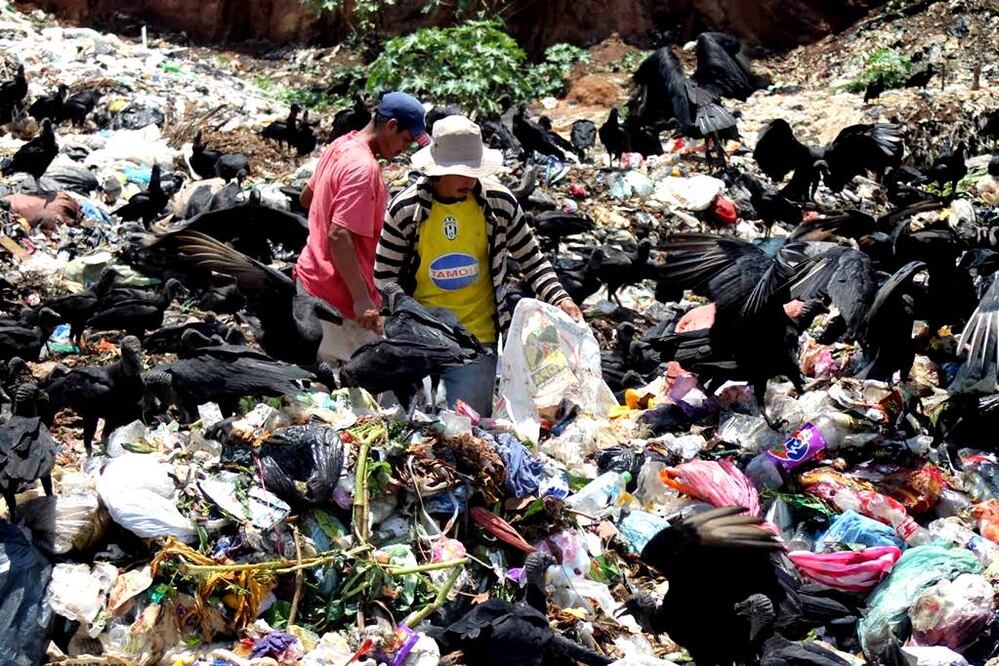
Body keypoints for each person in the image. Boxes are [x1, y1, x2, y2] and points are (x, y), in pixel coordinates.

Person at [375, 115, 583, 416]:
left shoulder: (500, 203)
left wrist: (560, 298)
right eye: (460, 172)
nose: (469, 179)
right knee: (399, 428)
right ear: (437, 171)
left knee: (468, 434)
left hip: (476, 341)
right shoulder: (407, 210)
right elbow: (384, 277)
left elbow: (532, 259)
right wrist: (393, 333)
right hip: (415, 338)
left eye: (474, 170)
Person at [295, 92, 429, 363]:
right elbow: (339, 235)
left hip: (311, 282)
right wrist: (361, 299)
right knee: (359, 386)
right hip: (339, 298)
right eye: (405, 140)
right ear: (391, 125)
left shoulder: (340, 145)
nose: (405, 148)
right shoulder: (363, 168)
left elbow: (306, 198)